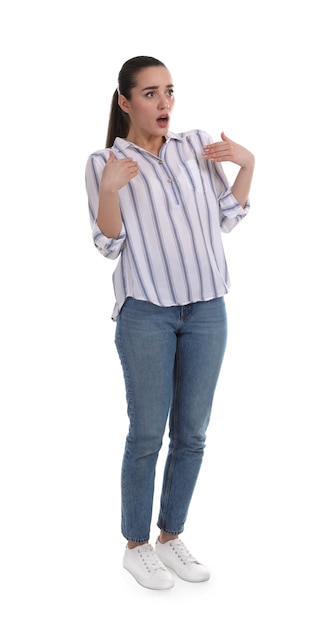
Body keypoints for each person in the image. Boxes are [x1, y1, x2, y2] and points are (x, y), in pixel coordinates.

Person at [85, 55, 254, 591]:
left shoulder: (197, 145)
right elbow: (108, 246)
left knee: (193, 435)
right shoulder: (103, 161)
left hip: (207, 309)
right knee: (146, 434)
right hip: (146, 314)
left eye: (169, 91)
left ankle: (170, 535)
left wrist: (247, 165)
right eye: (151, 93)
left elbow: (229, 217)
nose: (164, 103)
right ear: (125, 102)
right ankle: (136, 546)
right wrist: (110, 190)